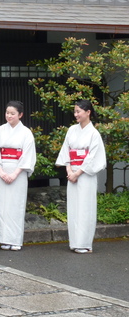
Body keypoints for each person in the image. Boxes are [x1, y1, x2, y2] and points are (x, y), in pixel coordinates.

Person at [55, 100, 106, 254]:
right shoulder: (71, 130)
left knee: (85, 207)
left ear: (88, 112)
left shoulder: (94, 133)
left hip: (85, 175)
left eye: (78, 111)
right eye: (75, 111)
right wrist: (69, 171)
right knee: (74, 207)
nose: (76, 114)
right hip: (72, 173)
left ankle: (84, 243)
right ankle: (74, 242)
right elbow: (66, 151)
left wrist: (78, 173)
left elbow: (91, 157)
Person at [0, 100, 36, 251]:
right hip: (2, 170)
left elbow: (28, 155)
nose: (9, 116)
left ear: (20, 115)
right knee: (2, 205)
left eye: (12, 113)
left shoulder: (26, 133)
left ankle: (15, 240)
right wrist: (0, 171)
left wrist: (15, 173)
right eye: (7, 113)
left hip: (17, 171)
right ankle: (3, 238)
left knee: (16, 205)